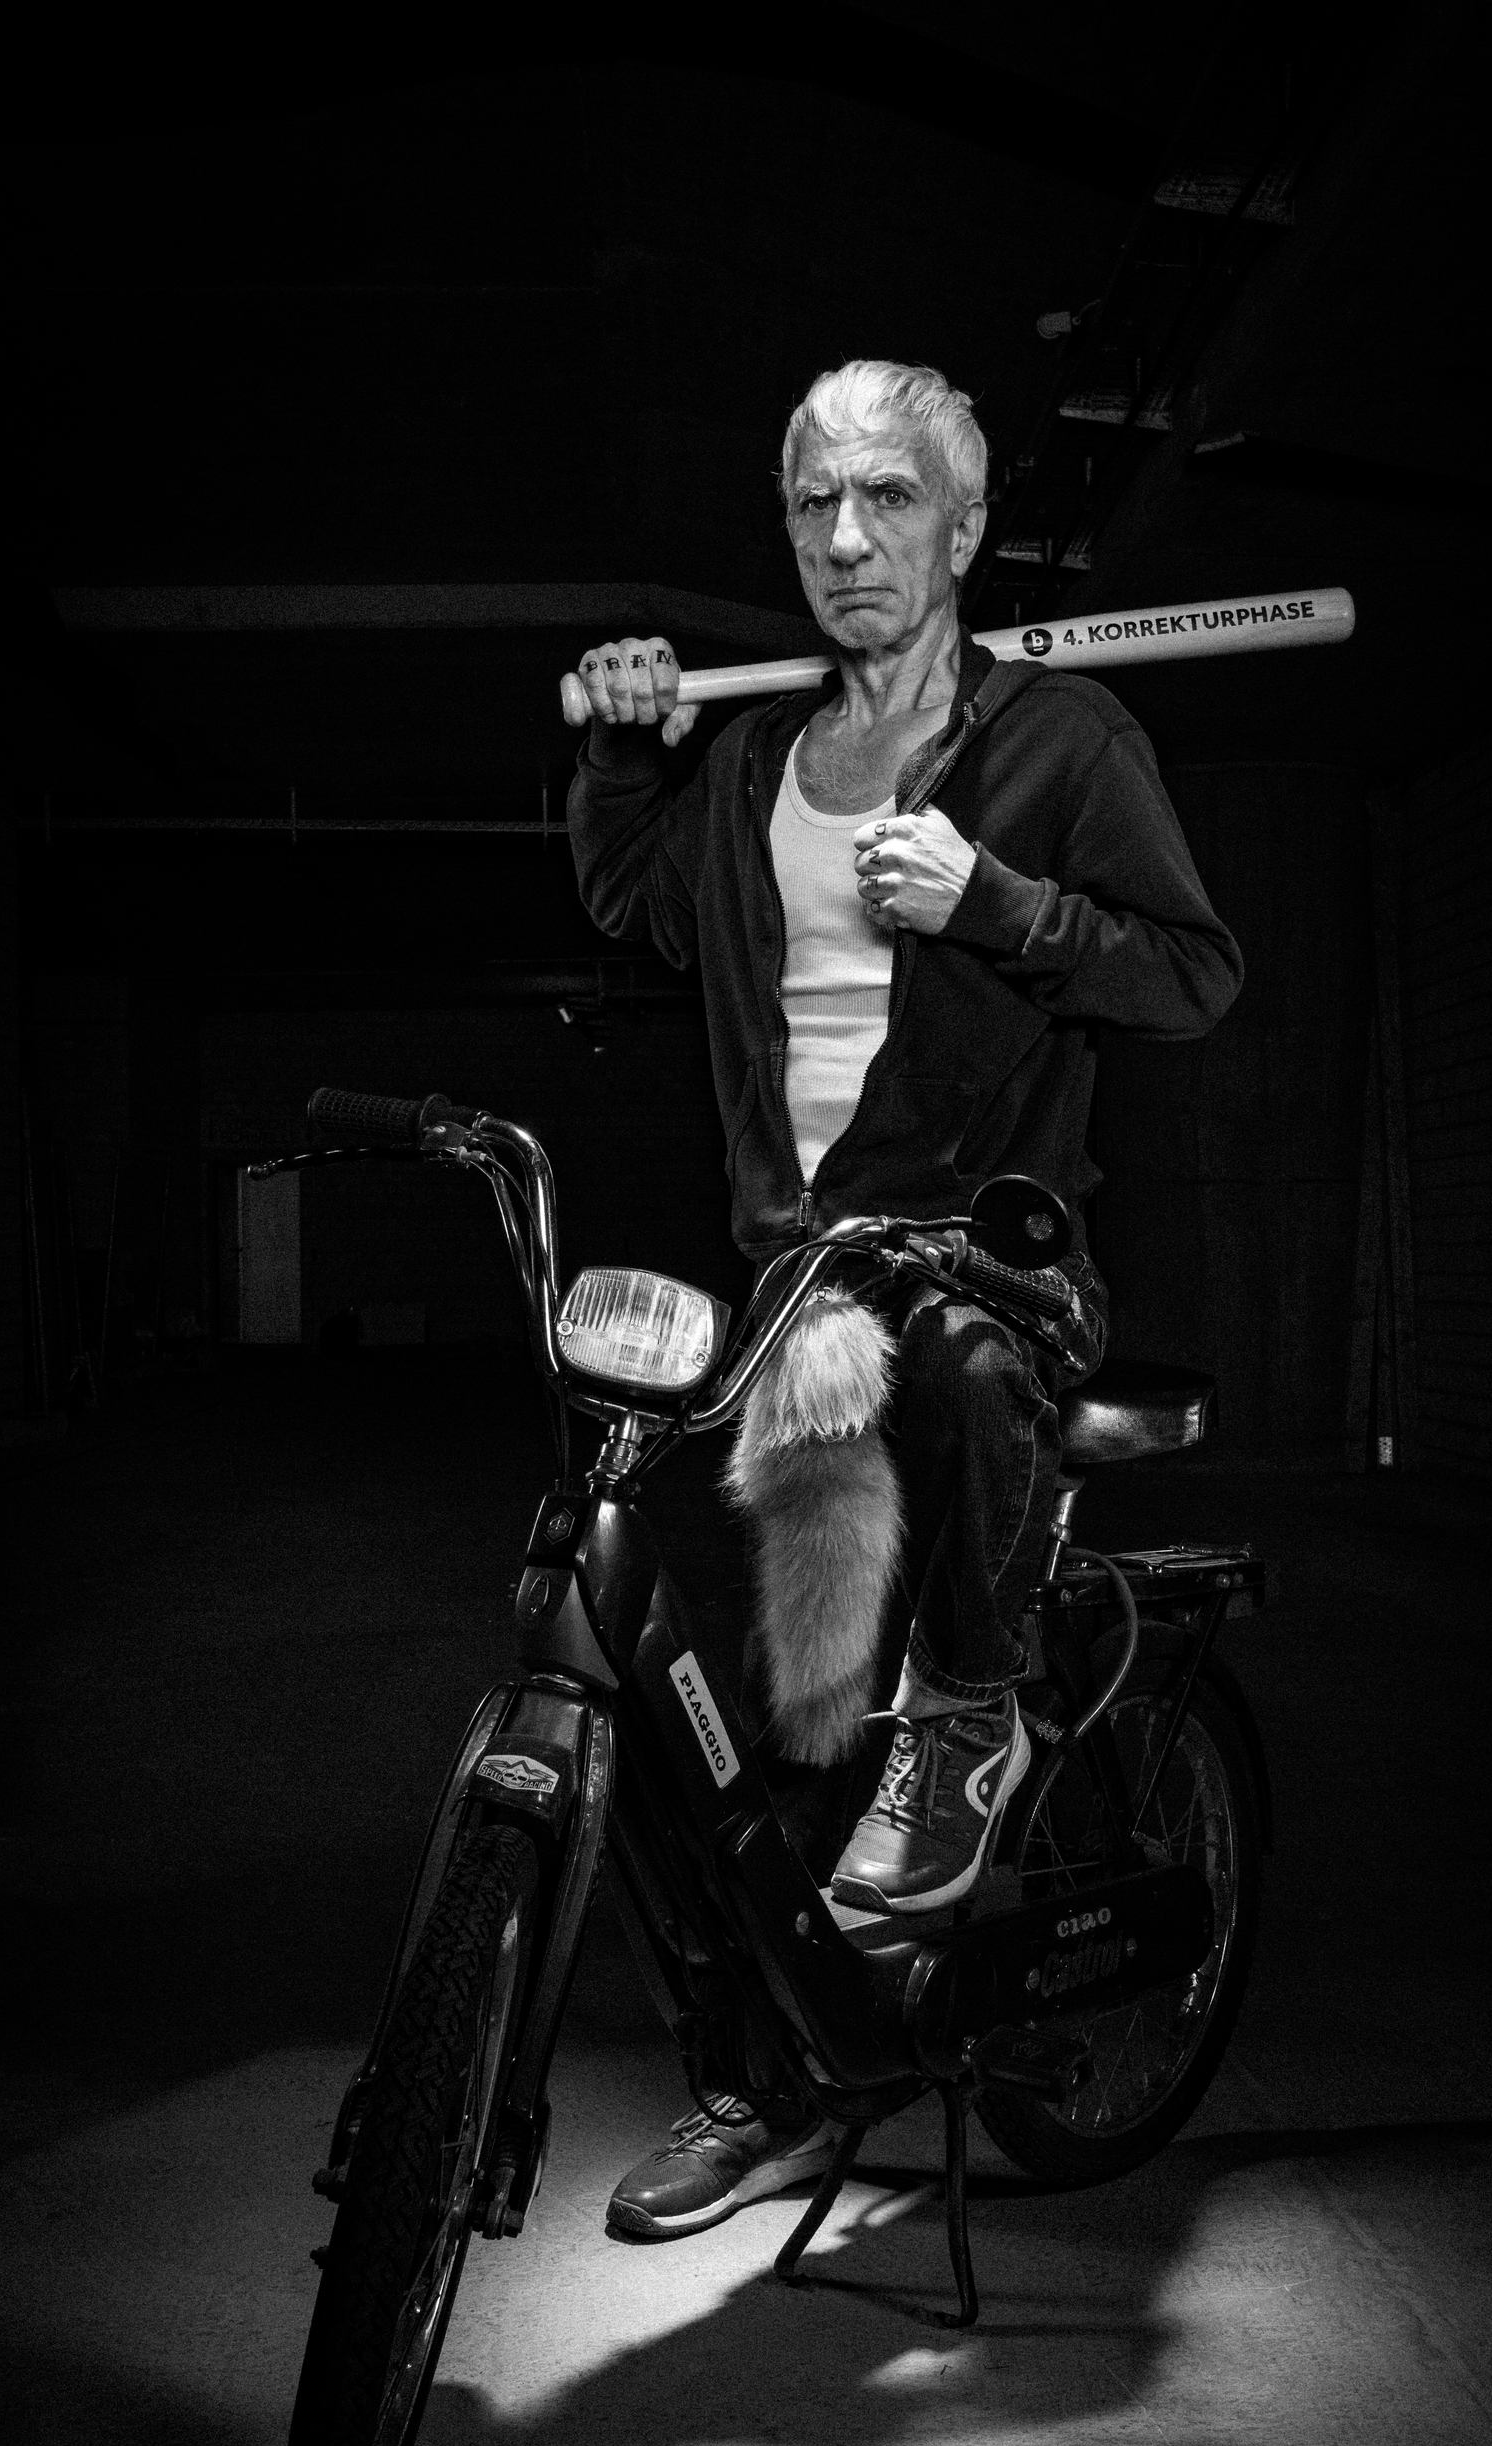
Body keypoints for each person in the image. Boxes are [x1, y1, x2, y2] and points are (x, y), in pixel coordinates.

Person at [564, 357, 1241, 2238]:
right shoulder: (749, 766)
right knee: (694, 1682)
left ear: (963, 528)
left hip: (990, 1266)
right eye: (815, 504)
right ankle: (775, 2071)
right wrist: (622, 745)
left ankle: (971, 1716)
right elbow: (631, 897)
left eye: (889, 499)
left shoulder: (1062, 741)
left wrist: (994, 901)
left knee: (951, 1365)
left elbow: (1192, 974)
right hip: (803, 1284)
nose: (847, 537)